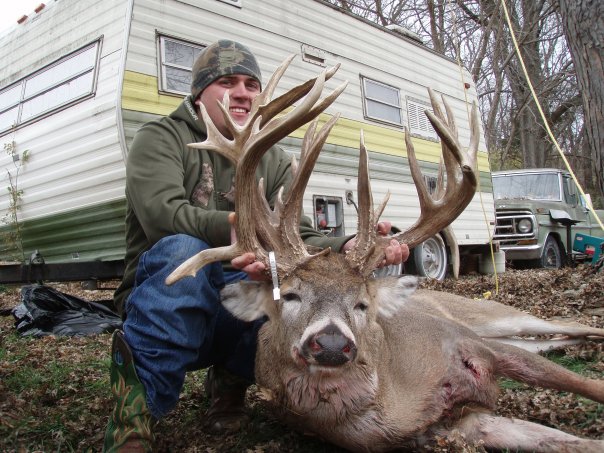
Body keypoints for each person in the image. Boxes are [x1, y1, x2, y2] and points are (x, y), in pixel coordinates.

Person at [103, 39, 407, 452]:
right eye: (226, 82)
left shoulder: (272, 156)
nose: (242, 93)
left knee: (282, 287)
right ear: (198, 93)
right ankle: (133, 418)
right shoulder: (161, 138)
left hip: (238, 296)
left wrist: (348, 243)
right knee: (181, 249)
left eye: (251, 84)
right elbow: (160, 215)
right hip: (166, 296)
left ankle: (229, 386)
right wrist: (236, 225)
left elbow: (298, 235)